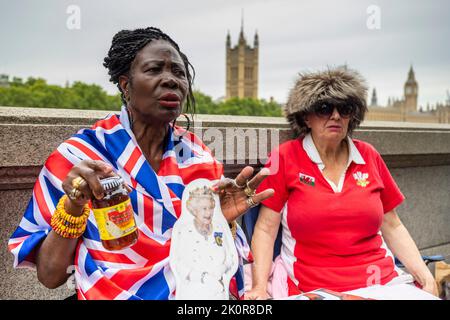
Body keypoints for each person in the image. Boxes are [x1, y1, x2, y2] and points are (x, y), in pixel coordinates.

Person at [8, 27, 273, 300]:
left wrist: (221, 223)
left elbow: (215, 269)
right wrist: (75, 204)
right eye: (154, 69)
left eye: (179, 73)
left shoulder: (200, 159)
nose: (171, 80)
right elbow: (51, 277)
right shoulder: (81, 156)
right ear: (125, 84)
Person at [246, 67, 439, 299]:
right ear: (306, 116)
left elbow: (393, 225)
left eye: (344, 109)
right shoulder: (285, 157)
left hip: (383, 284)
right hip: (316, 288)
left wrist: (427, 279)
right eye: (324, 108)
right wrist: (258, 287)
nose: (335, 116)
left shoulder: (368, 155)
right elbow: (266, 229)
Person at [170, 183, 238, 299]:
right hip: (192, 294)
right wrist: (203, 277)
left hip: (220, 292)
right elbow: (178, 264)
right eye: (204, 209)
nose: (209, 213)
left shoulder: (219, 228)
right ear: (194, 210)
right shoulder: (184, 231)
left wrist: (221, 269)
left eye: (211, 208)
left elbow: (230, 258)